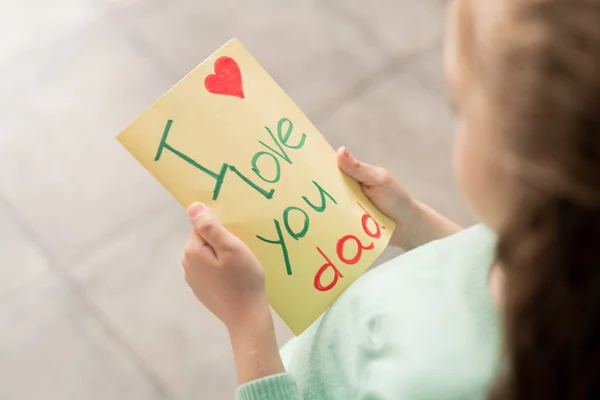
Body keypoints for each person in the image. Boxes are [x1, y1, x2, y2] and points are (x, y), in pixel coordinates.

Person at [180, 0, 600, 398]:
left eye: (460, 108)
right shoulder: (562, 245)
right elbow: (479, 271)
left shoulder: (431, 388)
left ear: (520, 163)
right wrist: (417, 225)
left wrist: (247, 323)